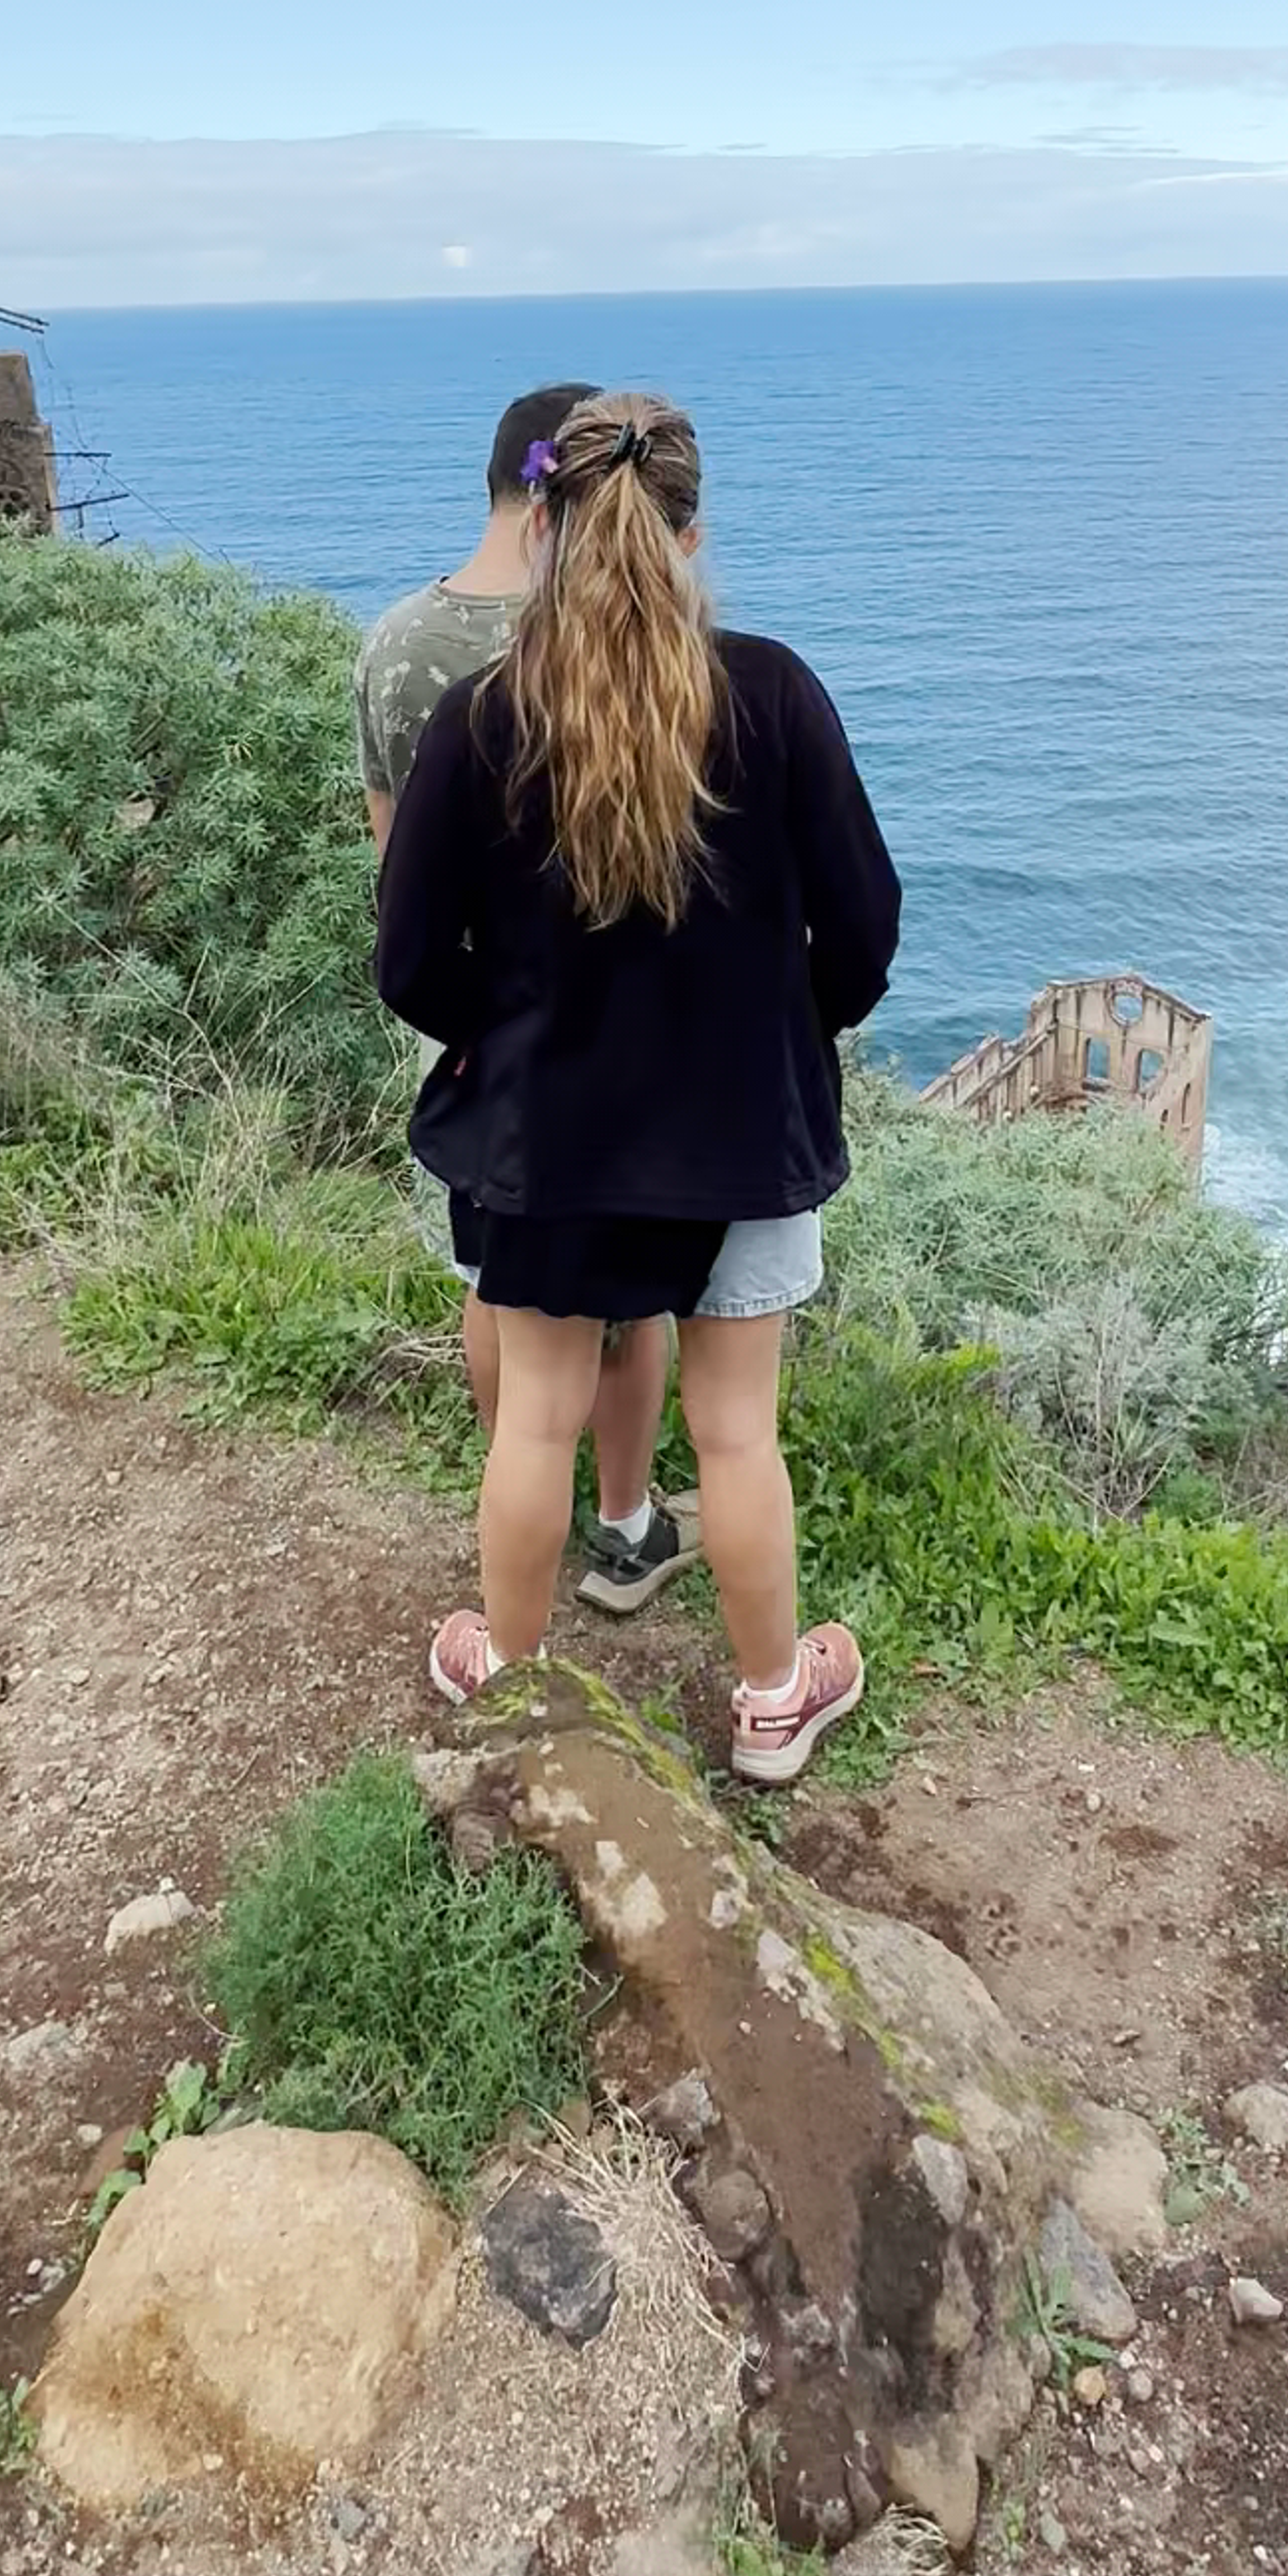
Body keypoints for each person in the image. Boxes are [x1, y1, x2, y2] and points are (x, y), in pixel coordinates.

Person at [375, 390, 900, 1784]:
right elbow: (865, 929)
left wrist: (494, 1031)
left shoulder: (484, 718)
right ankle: (776, 1703)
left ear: (543, 526)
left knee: (538, 1416)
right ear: (690, 534)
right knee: (736, 1430)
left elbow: (411, 956)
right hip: (747, 1125)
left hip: (546, 1140)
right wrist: (794, 1030)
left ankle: (515, 1687)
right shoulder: (777, 692)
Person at [353, 382, 686, 1616]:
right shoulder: (625, 638)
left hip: (478, 1034)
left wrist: (472, 1020)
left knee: (495, 1287)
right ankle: (625, 1521)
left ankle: (514, 1510)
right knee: (631, 1304)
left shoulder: (398, 645)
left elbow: (397, 869)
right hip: (635, 1041)